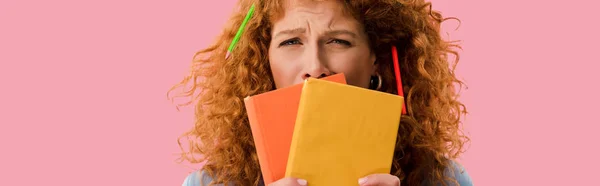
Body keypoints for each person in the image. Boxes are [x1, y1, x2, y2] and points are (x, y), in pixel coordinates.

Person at [169, 0, 473, 185]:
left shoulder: (444, 179)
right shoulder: (208, 184)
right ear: (264, 61)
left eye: (338, 41)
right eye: (291, 42)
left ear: (376, 62)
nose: (314, 67)